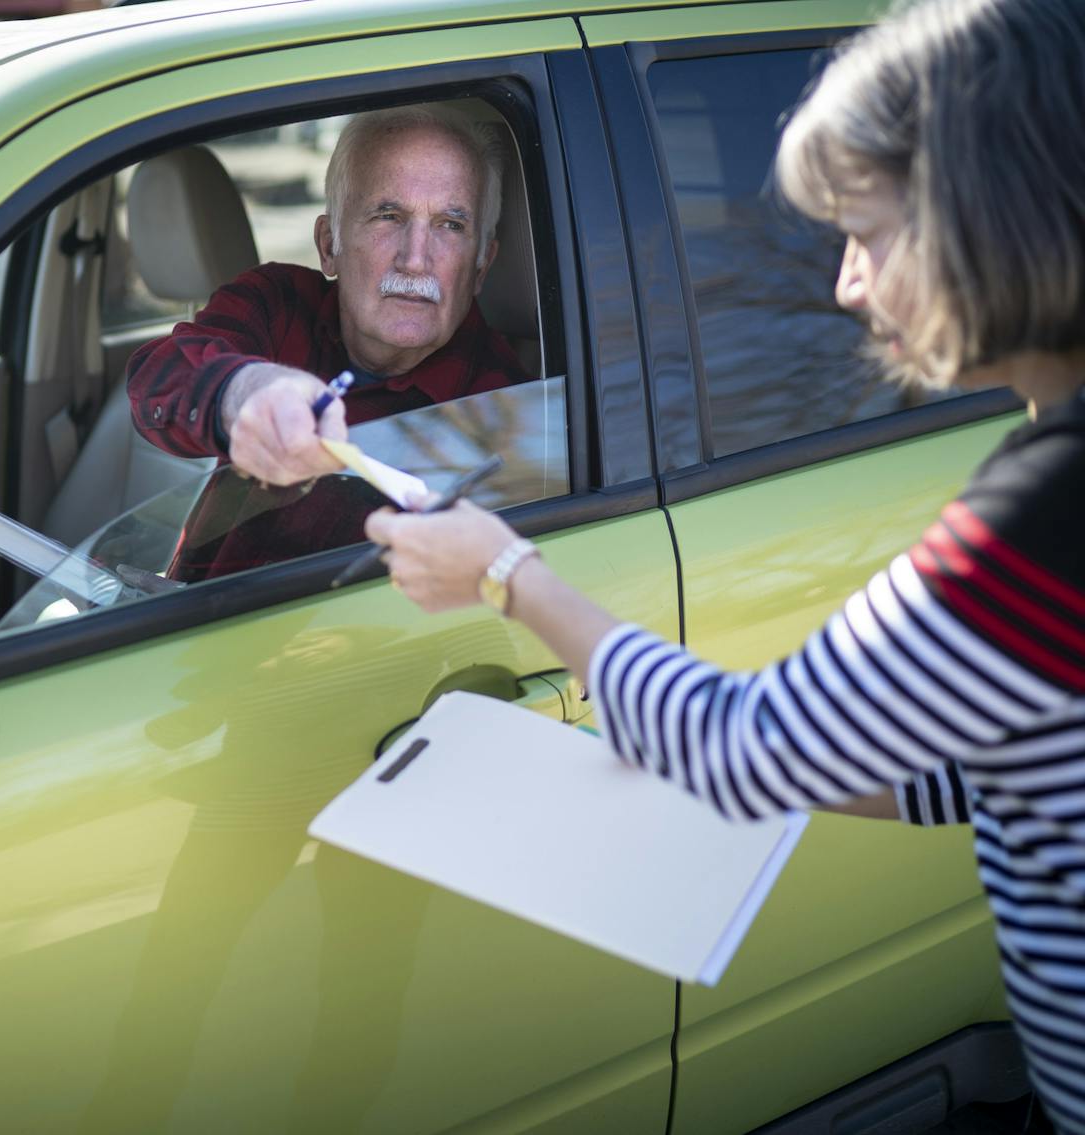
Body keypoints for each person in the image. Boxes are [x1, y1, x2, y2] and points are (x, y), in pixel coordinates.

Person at [364, 0, 1085, 1129]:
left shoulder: (1045, 515)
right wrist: (643, 756)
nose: (845, 285)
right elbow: (1007, 770)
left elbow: (742, 751)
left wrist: (510, 575)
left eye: (870, 231)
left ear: (989, 216)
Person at [126, 103, 531, 489]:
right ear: (327, 245)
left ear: (481, 266)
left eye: (450, 225)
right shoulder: (277, 303)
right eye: (388, 217)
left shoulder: (507, 409)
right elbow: (156, 379)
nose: (415, 259)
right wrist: (243, 391)